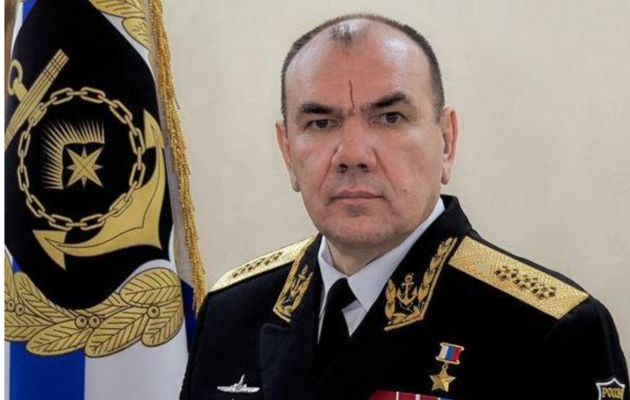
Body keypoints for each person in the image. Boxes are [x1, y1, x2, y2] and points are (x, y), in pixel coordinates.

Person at [181, 13, 628, 400]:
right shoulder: (233, 310)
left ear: (447, 141)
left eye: (390, 118)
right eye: (320, 122)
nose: (352, 154)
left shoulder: (548, 330)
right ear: (287, 151)